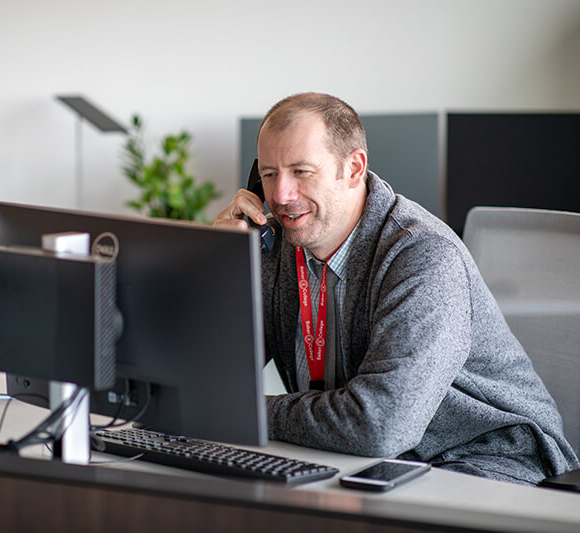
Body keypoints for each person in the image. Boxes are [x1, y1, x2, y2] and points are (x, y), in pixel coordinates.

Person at [215, 92, 579, 485]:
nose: (282, 196)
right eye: (269, 174)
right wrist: (220, 266)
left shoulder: (423, 255)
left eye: (301, 171)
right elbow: (209, 378)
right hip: (368, 458)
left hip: (485, 458)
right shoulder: (278, 242)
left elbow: (380, 425)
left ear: (354, 168)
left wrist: (245, 410)